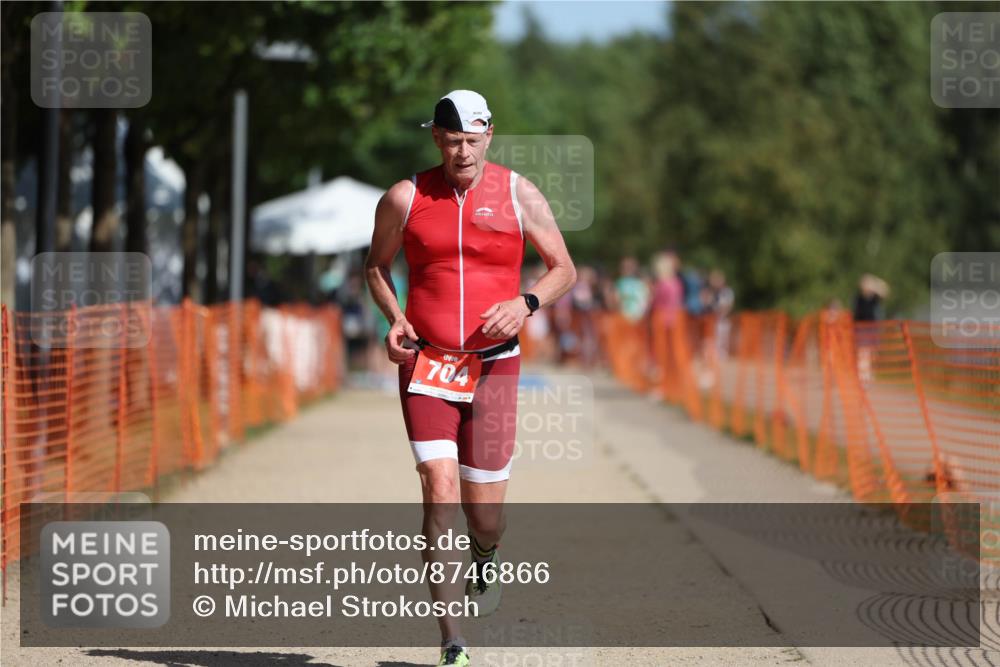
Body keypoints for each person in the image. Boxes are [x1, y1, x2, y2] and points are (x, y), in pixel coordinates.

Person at [365, 90, 576, 667]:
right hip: (427, 364)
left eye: (472, 140)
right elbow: (376, 266)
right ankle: (452, 639)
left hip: (495, 365)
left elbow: (564, 268)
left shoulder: (517, 192)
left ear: (489, 136)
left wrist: (526, 301)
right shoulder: (405, 197)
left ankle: (487, 551)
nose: (463, 152)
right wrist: (396, 318)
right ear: (436, 137)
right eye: (452, 140)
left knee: (485, 515)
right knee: (438, 488)